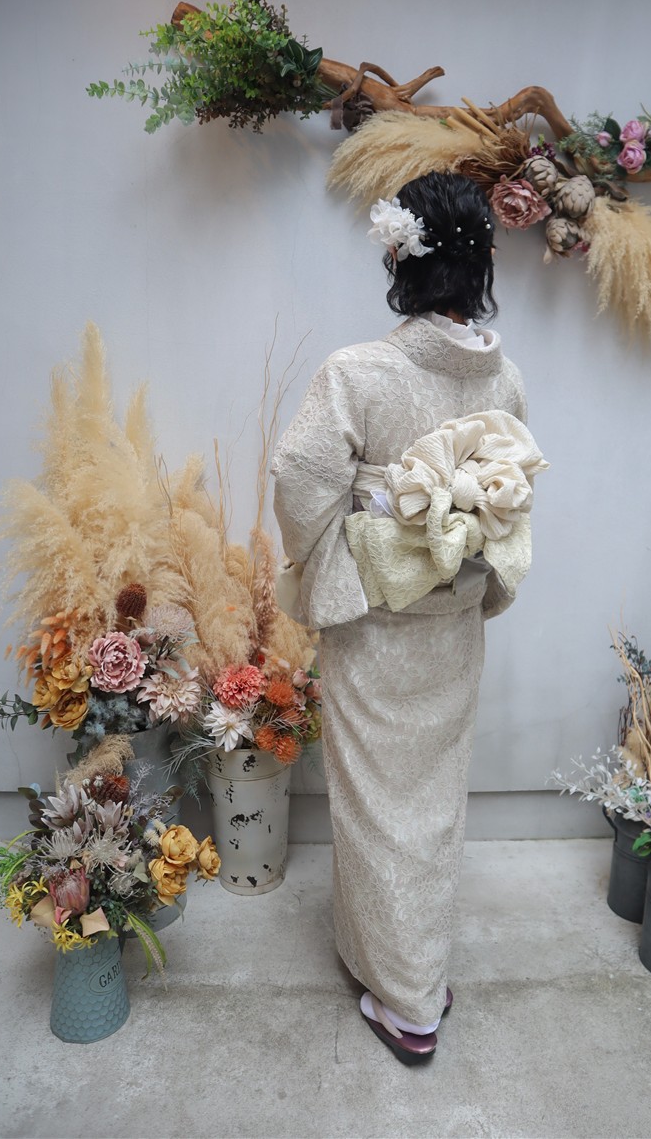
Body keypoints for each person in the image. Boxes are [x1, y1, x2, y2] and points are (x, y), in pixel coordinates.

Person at [272, 171, 547, 1064]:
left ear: (399, 258)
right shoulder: (505, 379)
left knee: (375, 804)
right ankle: (413, 965)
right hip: (452, 616)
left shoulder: (358, 372)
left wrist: (329, 556)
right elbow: (511, 498)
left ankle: (406, 1001)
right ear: (482, 263)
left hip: (374, 618)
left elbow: (300, 479)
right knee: (430, 803)